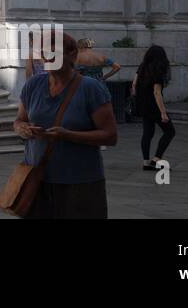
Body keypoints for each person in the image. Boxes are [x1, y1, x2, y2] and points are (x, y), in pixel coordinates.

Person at [12, 33, 117, 218]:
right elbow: (19, 119)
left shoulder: (90, 88)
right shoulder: (33, 85)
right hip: (37, 177)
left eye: (55, 53)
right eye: (45, 53)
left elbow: (110, 135)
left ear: (72, 55)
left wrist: (68, 135)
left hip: (79, 182)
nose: (49, 58)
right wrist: (22, 129)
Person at [133, 44, 174, 170]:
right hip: (154, 105)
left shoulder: (142, 66)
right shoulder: (158, 69)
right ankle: (156, 159)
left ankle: (146, 161)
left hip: (142, 104)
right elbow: (157, 92)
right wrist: (163, 112)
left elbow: (134, 84)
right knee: (170, 131)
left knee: (147, 133)